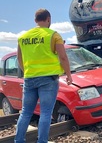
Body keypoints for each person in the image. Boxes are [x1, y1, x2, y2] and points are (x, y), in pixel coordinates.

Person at [15, 8, 73, 143]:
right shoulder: (54, 35)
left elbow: (19, 59)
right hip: (48, 79)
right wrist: (69, 74)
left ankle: (18, 141)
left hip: (29, 78)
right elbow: (63, 57)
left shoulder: (22, 38)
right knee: (46, 113)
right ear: (48, 19)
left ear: (35, 20)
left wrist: (28, 72)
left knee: (25, 112)